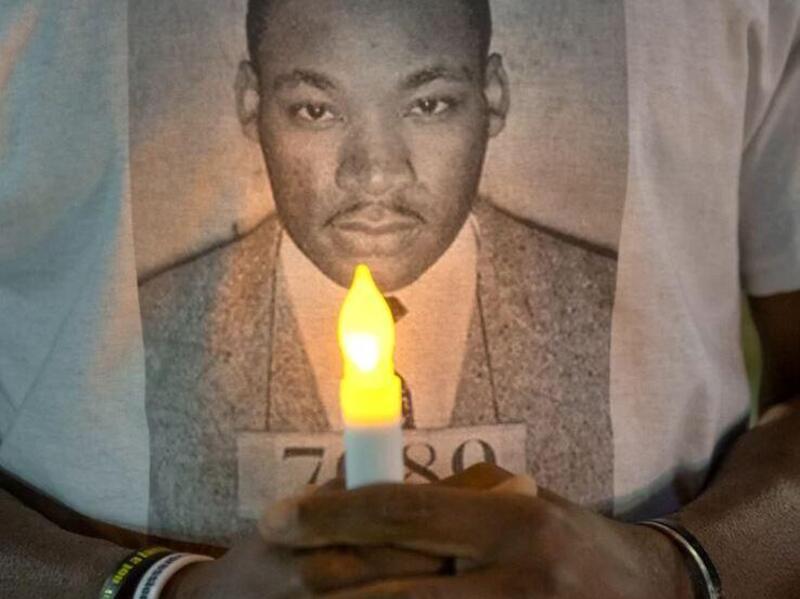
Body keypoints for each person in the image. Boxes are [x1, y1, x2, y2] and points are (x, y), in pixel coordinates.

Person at [0, 1, 798, 598]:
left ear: (493, 96)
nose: (375, 172)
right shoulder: (168, 307)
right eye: (316, 109)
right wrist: (158, 589)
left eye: (429, 103)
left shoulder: (584, 292)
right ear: (250, 103)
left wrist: (674, 570)